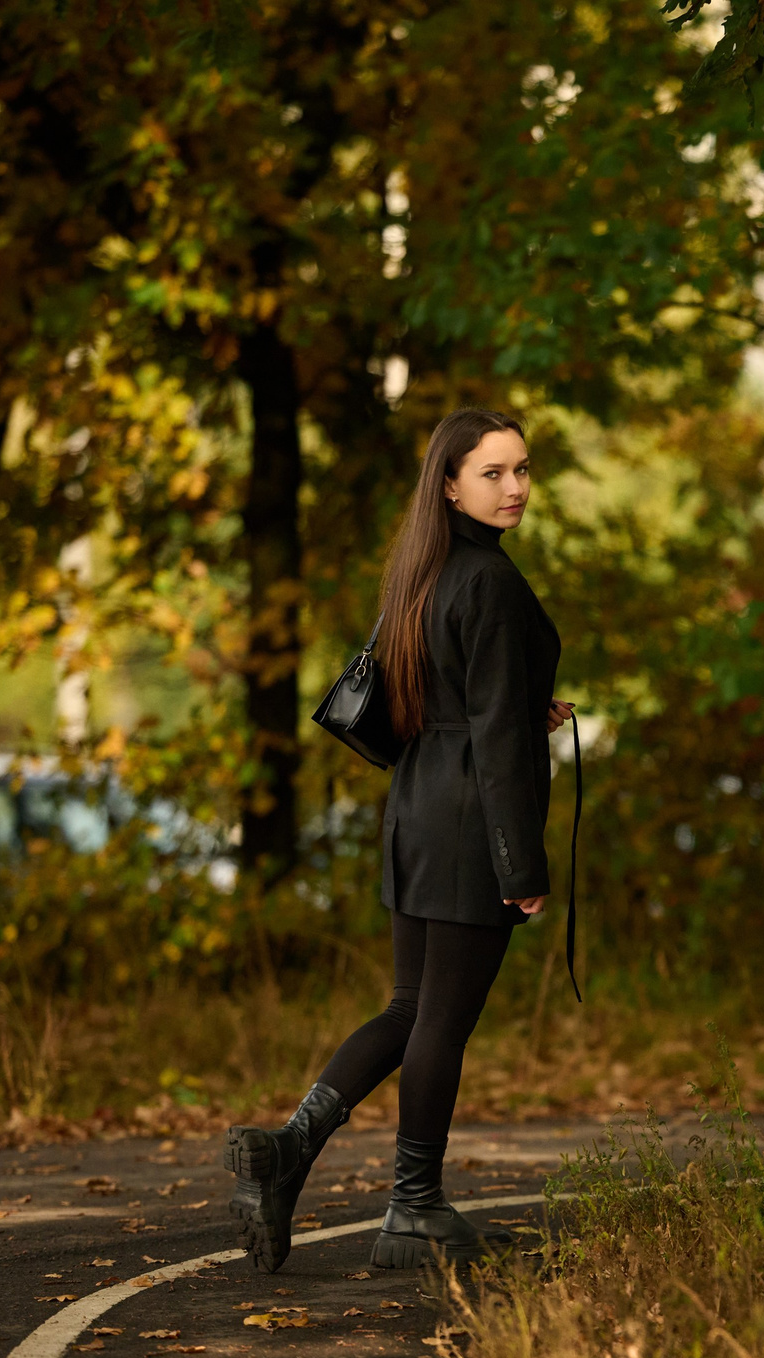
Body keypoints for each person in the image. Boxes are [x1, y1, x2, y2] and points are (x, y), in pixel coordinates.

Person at [225, 408, 572, 1272]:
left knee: (409, 1008)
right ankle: (413, 1207)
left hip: (417, 806)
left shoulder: (424, 569)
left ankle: (286, 1151)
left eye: (523, 469)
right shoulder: (488, 580)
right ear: (449, 482)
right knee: (439, 1022)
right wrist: (520, 860)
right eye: (494, 473)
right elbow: (491, 733)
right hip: (464, 822)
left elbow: (454, 698)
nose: (516, 487)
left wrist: (528, 705)